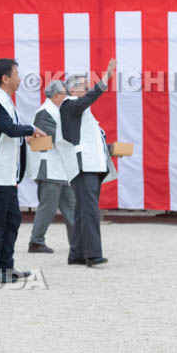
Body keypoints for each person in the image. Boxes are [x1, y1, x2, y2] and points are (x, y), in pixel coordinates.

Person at [0, 58, 45, 283]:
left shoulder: (5, 101)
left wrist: (27, 135)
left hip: (6, 172)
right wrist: (31, 128)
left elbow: (11, 132)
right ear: (5, 78)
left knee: (12, 219)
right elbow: (9, 129)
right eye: (16, 74)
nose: (19, 79)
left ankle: (5, 265)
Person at [60, 60, 118, 267]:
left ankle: (76, 253)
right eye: (85, 87)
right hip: (83, 167)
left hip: (89, 167)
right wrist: (105, 79)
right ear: (73, 89)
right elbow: (90, 98)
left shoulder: (81, 112)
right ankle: (93, 254)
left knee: (83, 212)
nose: (88, 91)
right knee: (90, 211)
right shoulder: (69, 105)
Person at [26, 79, 78, 256]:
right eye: (65, 94)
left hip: (61, 167)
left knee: (71, 206)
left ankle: (77, 241)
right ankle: (36, 241)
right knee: (48, 206)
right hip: (48, 166)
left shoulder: (54, 111)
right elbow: (57, 137)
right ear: (56, 96)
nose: (68, 96)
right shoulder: (44, 112)